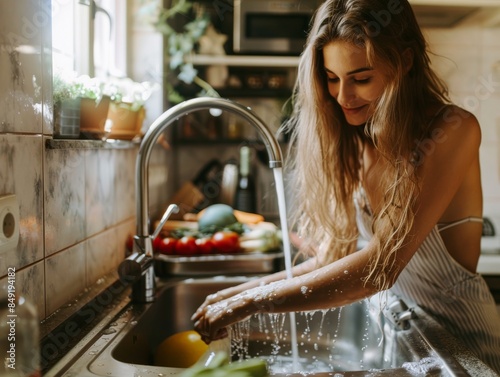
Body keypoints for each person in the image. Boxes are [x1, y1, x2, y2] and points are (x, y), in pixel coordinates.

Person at [192, 0, 500, 372]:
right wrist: (236, 294)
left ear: (403, 62)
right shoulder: (360, 139)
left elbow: (380, 267)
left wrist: (251, 304)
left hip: (461, 348)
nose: (342, 96)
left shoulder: (452, 130)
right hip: (404, 331)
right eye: (332, 78)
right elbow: (333, 258)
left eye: (361, 78)